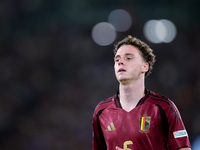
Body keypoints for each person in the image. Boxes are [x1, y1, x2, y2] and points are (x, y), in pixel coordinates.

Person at [92, 35, 191, 150]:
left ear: (144, 66)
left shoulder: (163, 107)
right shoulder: (101, 111)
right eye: (117, 59)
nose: (120, 62)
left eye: (128, 58)